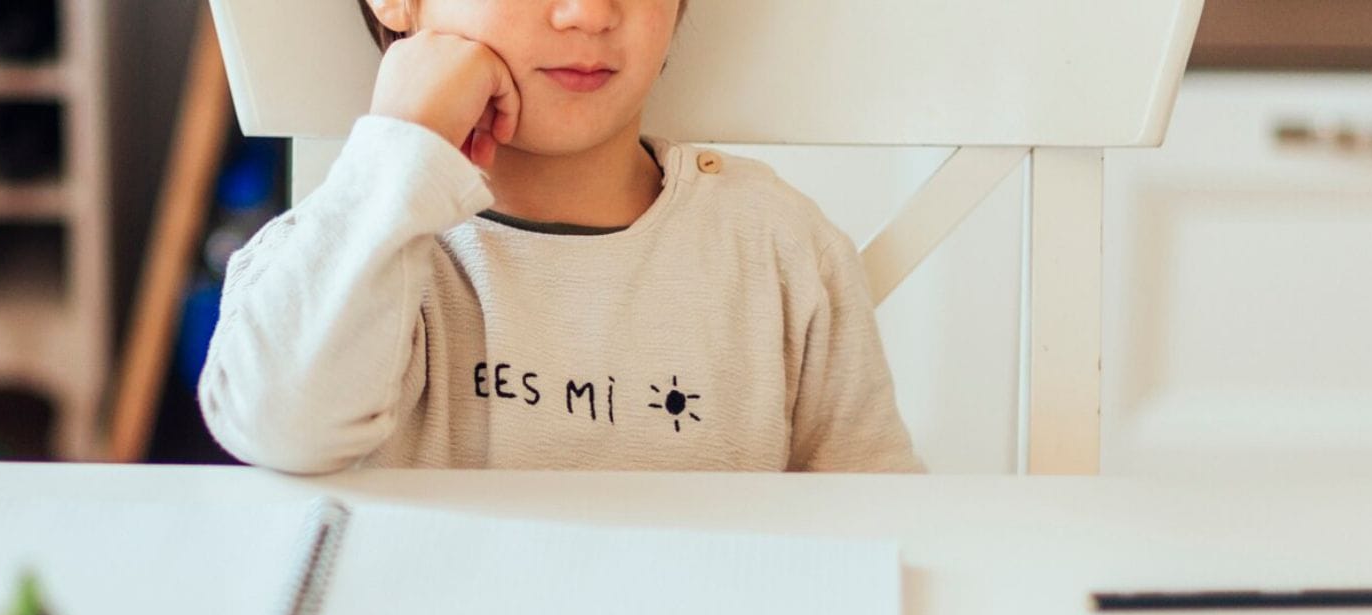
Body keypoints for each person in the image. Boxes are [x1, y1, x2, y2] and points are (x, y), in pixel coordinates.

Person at [199, 0, 925, 474]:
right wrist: (403, 146)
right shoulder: (355, 253)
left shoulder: (780, 250)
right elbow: (276, 425)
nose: (590, 13)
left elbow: (879, 521)